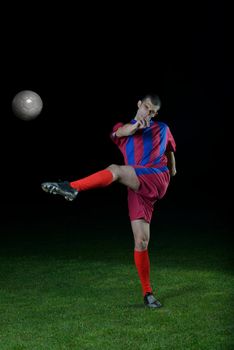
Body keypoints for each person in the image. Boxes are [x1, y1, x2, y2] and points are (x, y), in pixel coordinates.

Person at [41, 94, 176, 309]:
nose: (148, 113)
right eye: (146, 108)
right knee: (141, 241)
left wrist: (172, 168)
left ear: (155, 114)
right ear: (139, 104)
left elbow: (169, 149)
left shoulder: (162, 128)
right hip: (137, 186)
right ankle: (148, 293)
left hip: (156, 176)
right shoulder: (122, 129)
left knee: (114, 170)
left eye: (152, 112)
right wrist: (133, 128)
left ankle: (72, 187)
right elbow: (119, 132)